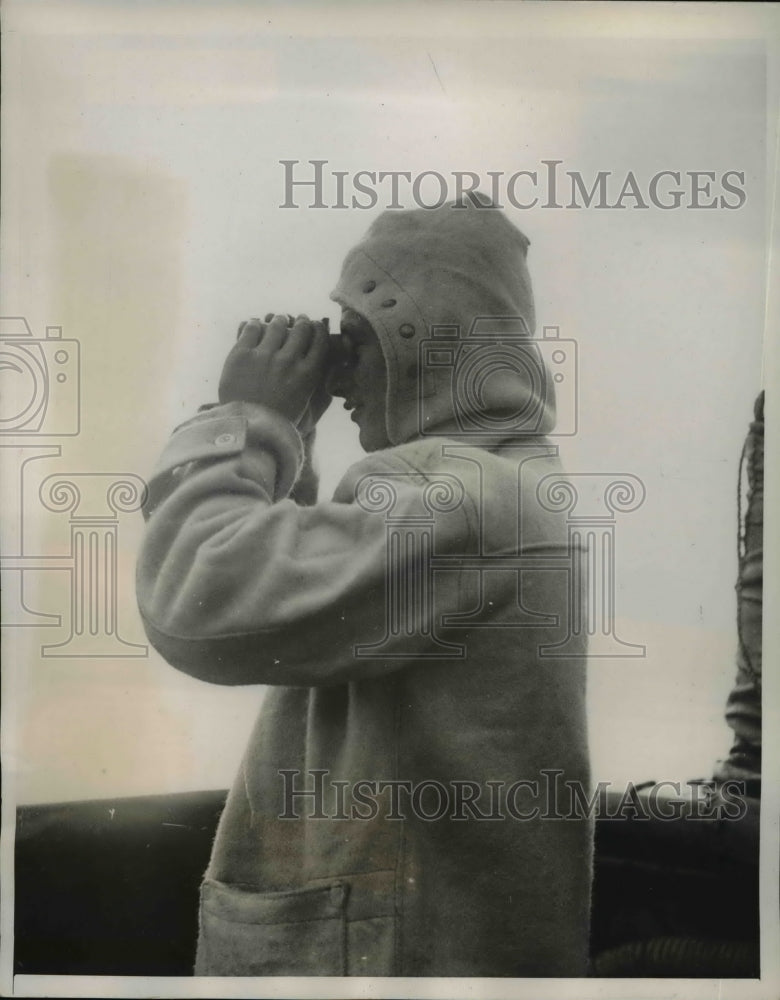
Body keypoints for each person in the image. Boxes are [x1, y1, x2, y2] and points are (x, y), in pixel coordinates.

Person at [136, 197, 593, 977]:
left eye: (356, 338)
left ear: (422, 339)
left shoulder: (463, 498)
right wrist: (294, 440)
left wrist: (249, 415)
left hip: (387, 961)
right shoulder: (500, 487)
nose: (340, 371)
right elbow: (303, 597)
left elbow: (199, 599)